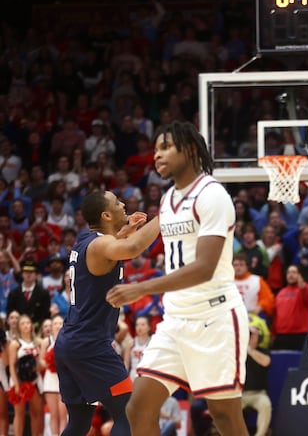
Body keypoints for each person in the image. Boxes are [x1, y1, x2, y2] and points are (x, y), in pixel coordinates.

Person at [106, 121, 249, 436]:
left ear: (191, 149)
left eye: (165, 147)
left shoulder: (213, 195)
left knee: (224, 416)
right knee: (138, 408)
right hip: (176, 321)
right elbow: (131, 246)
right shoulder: (169, 199)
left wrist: (141, 288)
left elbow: (205, 267)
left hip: (215, 317)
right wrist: (107, 237)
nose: (157, 155)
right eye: (155, 149)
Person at [54, 189, 158, 436]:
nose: (124, 205)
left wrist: (124, 231)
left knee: (79, 423)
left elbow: (117, 242)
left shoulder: (86, 240)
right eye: (117, 203)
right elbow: (132, 248)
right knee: (129, 415)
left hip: (71, 343)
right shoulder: (102, 245)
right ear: (106, 215)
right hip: (91, 345)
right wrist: (164, 214)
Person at [41, 314, 67, 436]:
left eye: (60, 323)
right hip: (50, 379)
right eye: (55, 323)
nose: (57, 325)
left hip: (64, 380)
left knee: (63, 415)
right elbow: (41, 361)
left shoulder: (68, 340)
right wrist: (49, 362)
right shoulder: (46, 341)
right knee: (53, 415)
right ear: (51, 326)